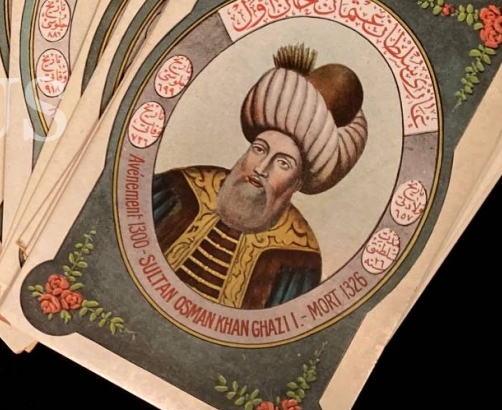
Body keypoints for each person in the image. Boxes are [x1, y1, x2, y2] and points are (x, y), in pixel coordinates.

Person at [153, 44, 368, 309]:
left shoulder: (300, 259)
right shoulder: (174, 188)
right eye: (259, 149)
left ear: (298, 183)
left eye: (283, 163)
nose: (262, 168)